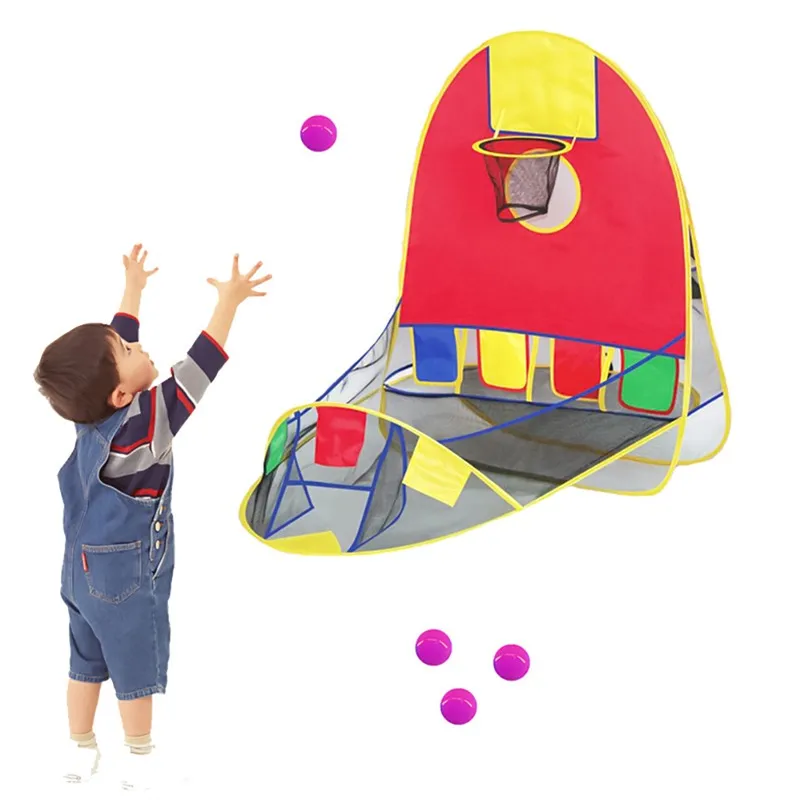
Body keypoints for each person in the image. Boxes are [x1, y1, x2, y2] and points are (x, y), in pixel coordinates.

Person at [33, 244, 271, 790]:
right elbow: (198, 369)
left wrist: (133, 291)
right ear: (121, 393)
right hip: (121, 577)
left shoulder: (90, 414)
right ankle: (140, 760)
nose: (137, 344)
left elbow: (109, 351)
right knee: (133, 665)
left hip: (78, 571)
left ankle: (79, 750)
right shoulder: (148, 423)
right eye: (128, 349)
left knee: (85, 661)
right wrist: (228, 303)